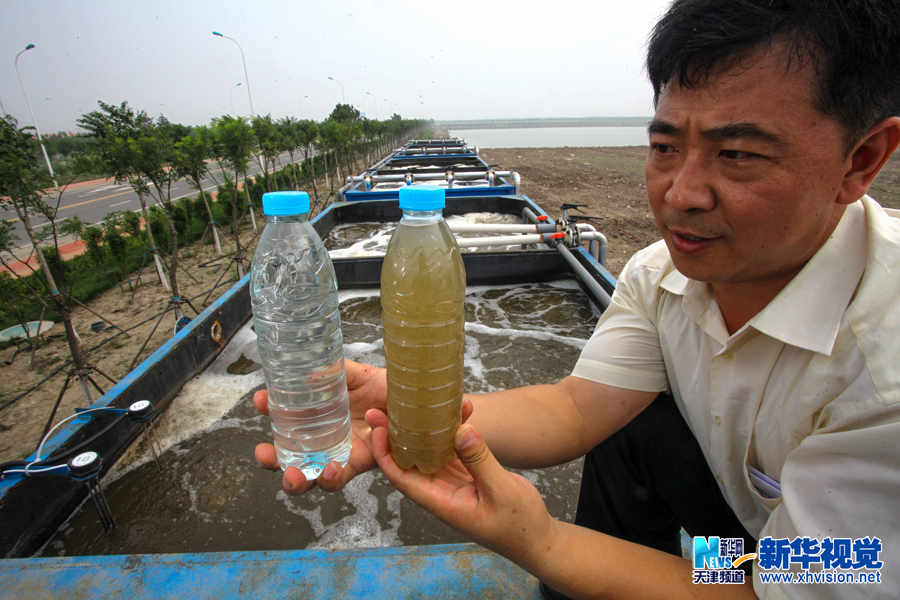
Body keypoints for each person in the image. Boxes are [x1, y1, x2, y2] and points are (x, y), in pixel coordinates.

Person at [254, 1, 900, 597]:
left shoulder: (885, 366)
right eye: (664, 147)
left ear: (862, 159)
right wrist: (412, 405)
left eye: (736, 154)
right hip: (755, 541)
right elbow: (573, 409)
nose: (681, 194)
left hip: (854, 563)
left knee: (726, 565)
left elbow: (804, 581)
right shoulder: (665, 275)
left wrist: (546, 544)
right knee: (635, 426)